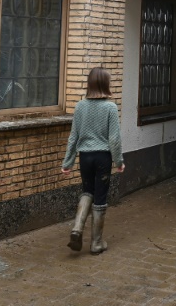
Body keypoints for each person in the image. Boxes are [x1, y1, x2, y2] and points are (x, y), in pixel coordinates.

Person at [61, 67, 125, 255]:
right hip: (102, 157)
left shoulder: (80, 106)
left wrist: (67, 163)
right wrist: (119, 161)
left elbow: (74, 136)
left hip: (85, 157)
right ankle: (96, 243)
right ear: (106, 84)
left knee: (87, 191)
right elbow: (114, 139)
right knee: (100, 197)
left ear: (89, 84)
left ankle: (77, 229)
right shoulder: (110, 108)